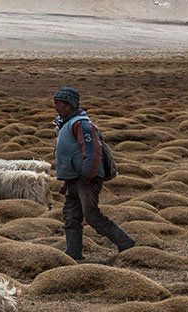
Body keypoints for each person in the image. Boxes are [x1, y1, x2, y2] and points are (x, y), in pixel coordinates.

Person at [53, 86, 134, 260]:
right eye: (56, 103)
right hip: (74, 179)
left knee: (91, 215)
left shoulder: (81, 124)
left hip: (86, 179)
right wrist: (67, 181)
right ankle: (74, 253)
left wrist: (87, 175)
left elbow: (92, 151)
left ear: (70, 105)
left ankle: (126, 243)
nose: (56, 107)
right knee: (70, 216)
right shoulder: (66, 124)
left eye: (60, 103)